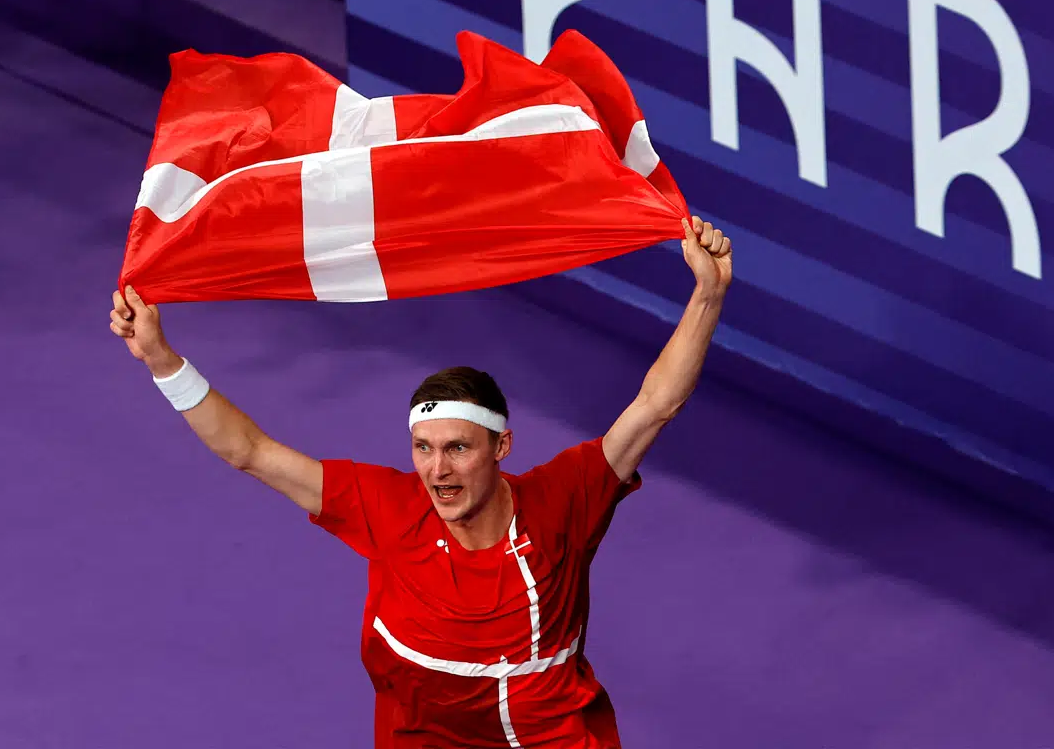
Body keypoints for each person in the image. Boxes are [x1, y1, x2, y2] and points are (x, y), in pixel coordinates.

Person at [109, 216, 734, 748]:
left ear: (501, 447)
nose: (437, 471)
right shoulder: (384, 504)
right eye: (423, 449)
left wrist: (708, 294)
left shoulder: (565, 497)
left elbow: (656, 405)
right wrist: (164, 362)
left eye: (458, 448)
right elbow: (249, 451)